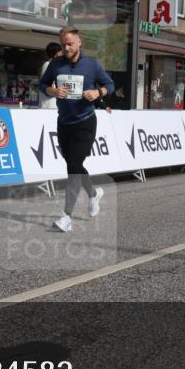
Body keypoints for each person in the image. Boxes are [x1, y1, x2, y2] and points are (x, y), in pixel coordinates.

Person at [38, 26, 114, 233]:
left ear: (79, 43)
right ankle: (92, 193)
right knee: (75, 165)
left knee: (73, 167)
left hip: (85, 123)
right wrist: (51, 90)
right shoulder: (56, 64)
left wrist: (98, 92)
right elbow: (42, 84)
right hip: (63, 123)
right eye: (63, 44)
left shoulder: (92, 65)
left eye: (70, 43)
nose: (66, 47)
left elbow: (110, 85)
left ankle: (66, 217)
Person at [39, 42, 62, 109]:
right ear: (56, 53)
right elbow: (49, 85)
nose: (62, 54)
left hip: (52, 102)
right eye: (61, 52)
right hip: (49, 103)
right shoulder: (48, 65)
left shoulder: (53, 65)